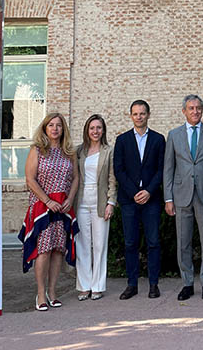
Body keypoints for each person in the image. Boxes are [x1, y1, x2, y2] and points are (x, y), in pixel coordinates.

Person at [164, 95, 203, 301]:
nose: (195, 111)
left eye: (198, 108)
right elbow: (168, 169)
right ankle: (188, 283)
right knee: (183, 242)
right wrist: (168, 198)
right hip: (182, 196)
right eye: (191, 108)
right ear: (184, 111)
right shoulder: (174, 135)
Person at [18, 112, 79, 311]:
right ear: (45, 128)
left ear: (63, 129)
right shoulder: (37, 150)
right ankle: (41, 293)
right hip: (42, 207)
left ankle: (53, 291)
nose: (55, 128)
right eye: (51, 125)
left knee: (58, 250)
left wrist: (69, 199)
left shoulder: (69, 151)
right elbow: (30, 179)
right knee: (43, 250)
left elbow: (76, 178)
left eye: (58, 125)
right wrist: (47, 200)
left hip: (62, 207)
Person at [113, 100, 166, 300]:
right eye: (135, 114)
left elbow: (162, 169)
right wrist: (134, 191)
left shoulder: (158, 139)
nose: (139, 117)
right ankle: (132, 284)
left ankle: (153, 284)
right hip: (129, 199)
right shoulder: (122, 140)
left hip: (151, 199)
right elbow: (119, 169)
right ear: (130, 116)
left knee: (153, 242)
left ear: (148, 115)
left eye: (142, 113)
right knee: (130, 243)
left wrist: (149, 191)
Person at [74, 114, 117, 301]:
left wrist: (111, 202)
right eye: (92, 128)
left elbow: (112, 179)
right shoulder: (78, 151)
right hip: (81, 202)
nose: (95, 131)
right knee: (83, 245)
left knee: (100, 245)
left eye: (99, 128)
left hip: (100, 201)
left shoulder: (109, 151)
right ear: (87, 130)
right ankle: (84, 286)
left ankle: (98, 286)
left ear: (103, 130)